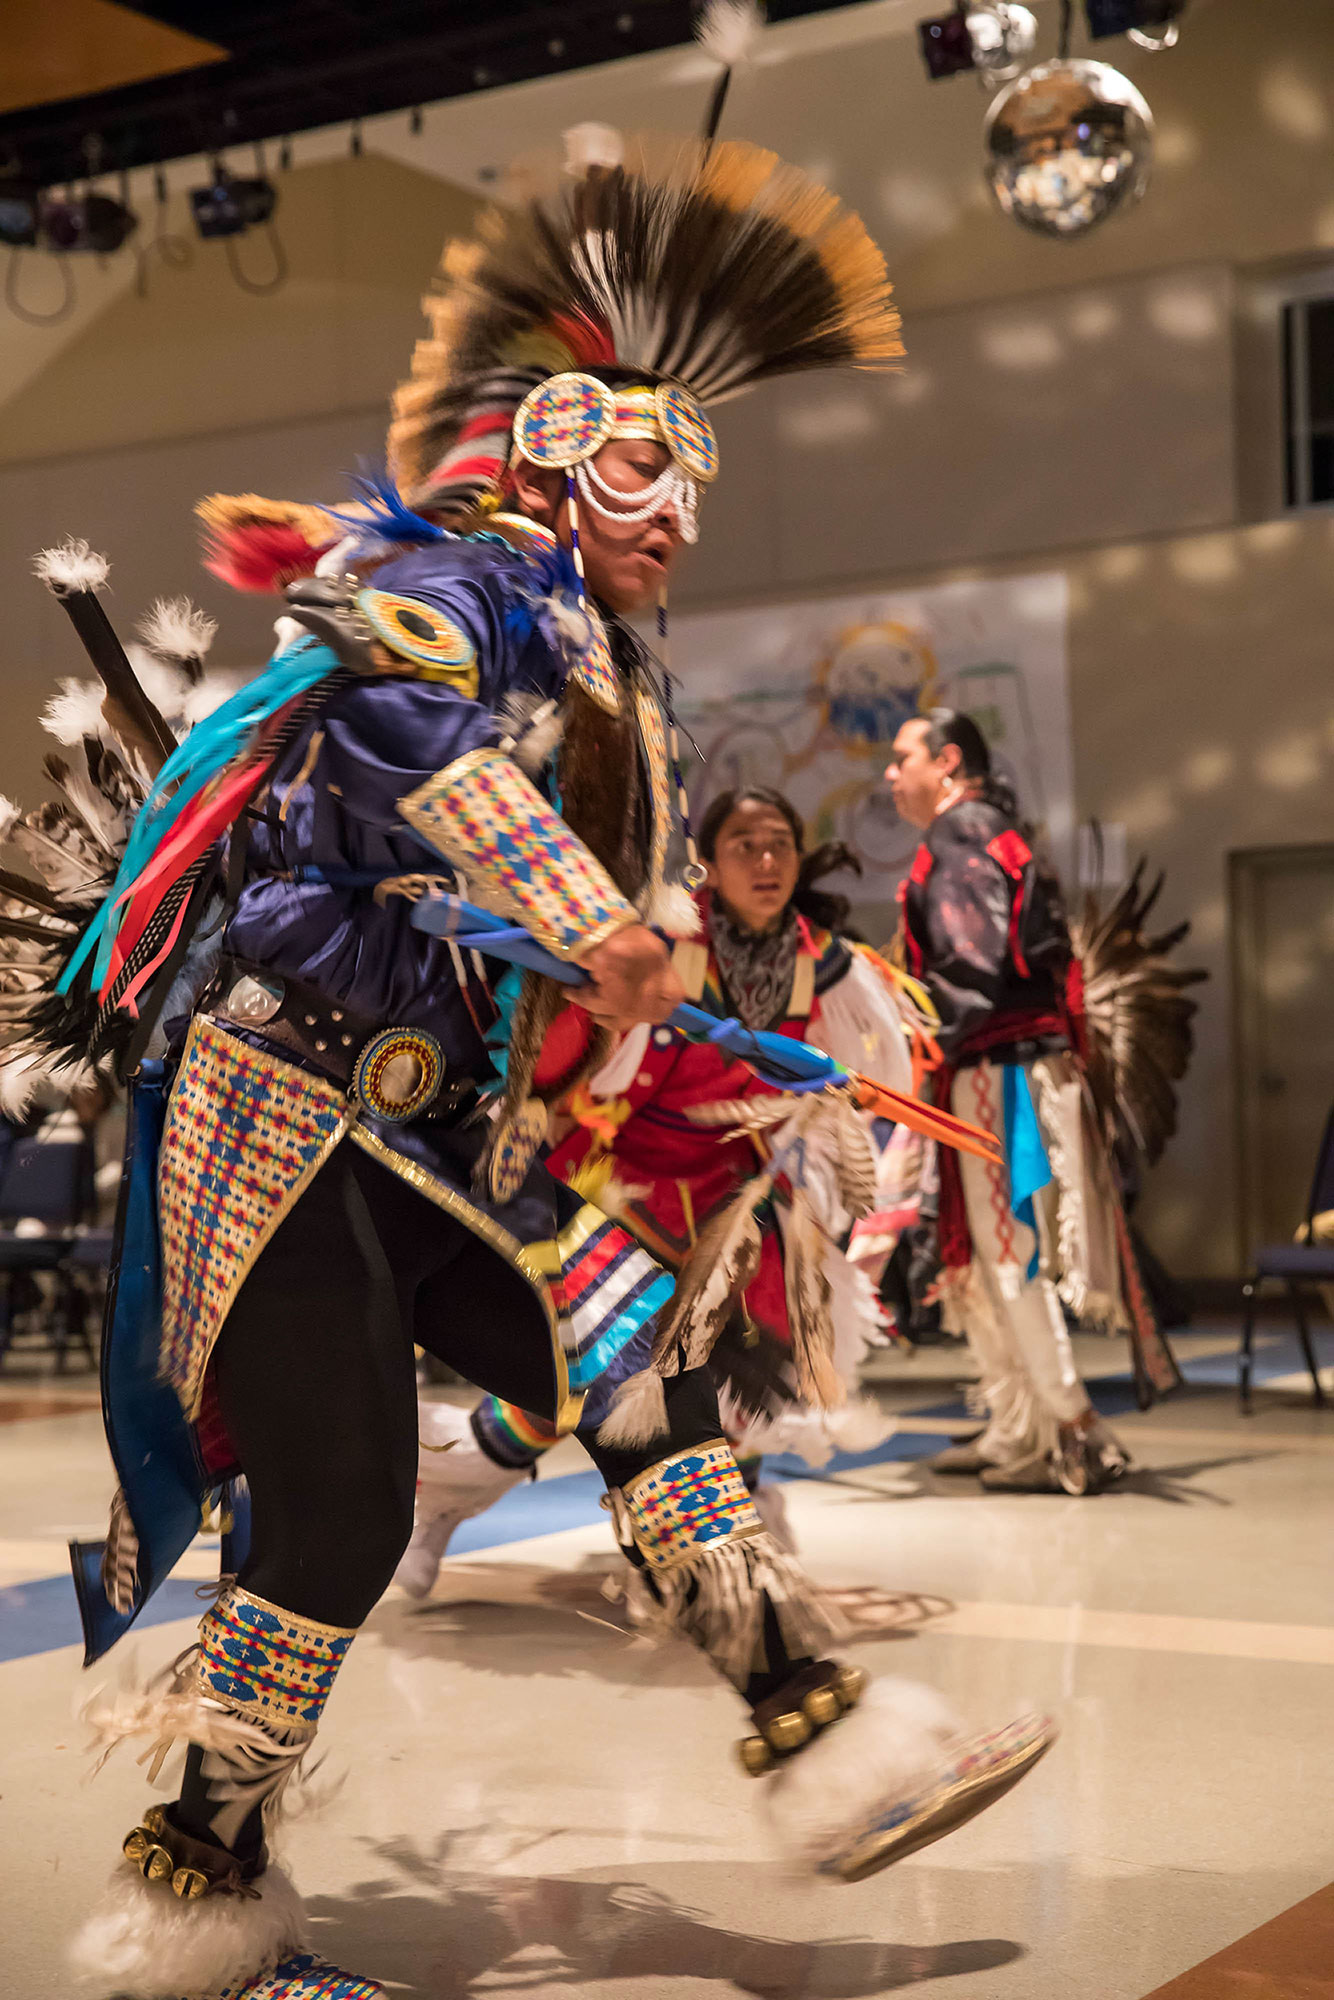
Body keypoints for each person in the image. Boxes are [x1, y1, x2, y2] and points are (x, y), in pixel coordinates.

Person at [12, 139, 1057, 2000]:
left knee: (638, 1368)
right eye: (648, 462)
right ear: (555, 454)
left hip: (435, 1132)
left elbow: (519, 898)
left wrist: (613, 996)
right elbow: (412, 744)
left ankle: (820, 1737)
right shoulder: (442, 580)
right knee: (327, 1528)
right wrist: (588, 915)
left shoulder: (593, 654)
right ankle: (195, 1894)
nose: (680, 505)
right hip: (289, 1118)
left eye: (697, 473)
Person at [396, 785, 932, 1594]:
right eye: (745, 844)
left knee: (748, 1384)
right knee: (582, 1388)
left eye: (780, 842)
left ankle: (732, 1547)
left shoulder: (822, 959)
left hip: (733, 1204)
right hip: (619, 1188)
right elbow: (566, 1061)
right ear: (707, 863)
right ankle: (440, 1496)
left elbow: (874, 1078)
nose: (766, 860)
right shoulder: (658, 942)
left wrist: (829, 1174)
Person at [884, 708, 1173, 1495]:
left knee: (1011, 1254)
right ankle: (1019, 1427)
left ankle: (1076, 1431)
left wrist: (910, 1035)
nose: (889, 773)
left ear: (946, 764)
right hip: (1003, 1069)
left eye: (901, 757)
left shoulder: (960, 833)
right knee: (985, 1257)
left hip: (995, 1076)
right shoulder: (991, 830)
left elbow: (969, 966)